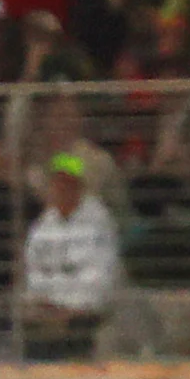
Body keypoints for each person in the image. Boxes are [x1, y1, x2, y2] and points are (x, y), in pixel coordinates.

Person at [21, 150, 125, 355]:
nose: (61, 188)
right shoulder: (43, 226)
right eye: (56, 182)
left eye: (67, 183)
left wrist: (69, 309)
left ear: (79, 186)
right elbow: (34, 271)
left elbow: (100, 276)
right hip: (49, 311)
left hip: (86, 312)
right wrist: (45, 304)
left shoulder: (98, 221)